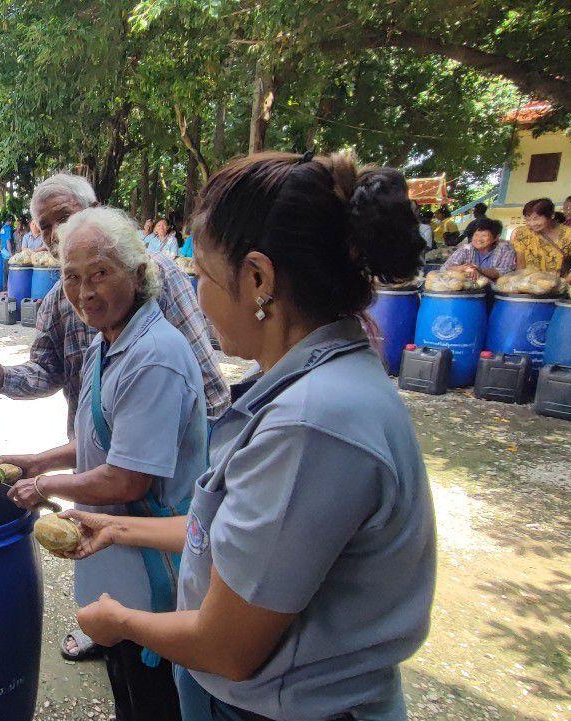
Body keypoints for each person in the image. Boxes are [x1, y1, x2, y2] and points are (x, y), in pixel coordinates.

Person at [61, 151, 435, 721]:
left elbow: (226, 648)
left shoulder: (311, 426)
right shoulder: (313, 387)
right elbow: (237, 538)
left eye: (203, 275)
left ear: (258, 279)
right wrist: (116, 527)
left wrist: (120, 622)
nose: (197, 295)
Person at [0, 172, 228, 661]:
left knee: (150, 655)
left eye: (100, 274)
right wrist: (32, 451)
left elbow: (132, 473)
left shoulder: (153, 340)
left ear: (135, 271)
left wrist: (44, 485)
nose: (85, 290)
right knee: (117, 633)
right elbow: (86, 415)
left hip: (153, 526)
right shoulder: (93, 327)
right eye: (72, 275)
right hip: (107, 504)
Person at [511, 198, 571, 274]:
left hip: (560, 280)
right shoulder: (523, 233)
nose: (531, 224)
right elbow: (520, 265)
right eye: (528, 219)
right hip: (530, 280)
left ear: (552, 215)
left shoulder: (569, 234)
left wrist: (567, 280)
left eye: (536, 219)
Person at [441, 218, 515, 281]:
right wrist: (462, 268)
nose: (478, 239)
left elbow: (504, 272)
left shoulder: (505, 249)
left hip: (495, 291)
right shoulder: (466, 248)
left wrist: (480, 270)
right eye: (476, 235)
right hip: (469, 290)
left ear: (496, 238)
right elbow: (446, 267)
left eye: (484, 235)